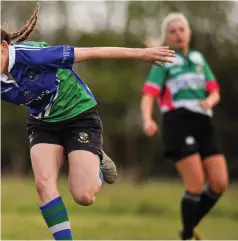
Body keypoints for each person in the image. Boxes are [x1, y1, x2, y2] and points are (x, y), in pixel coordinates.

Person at [1, 3, 175, 240]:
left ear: (3, 48)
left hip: (79, 117)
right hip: (43, 124)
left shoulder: (32, 55)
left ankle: (97, 159)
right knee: (43, 184)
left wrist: (141, 54)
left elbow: (92, 52)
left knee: (84, 196)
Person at [141, 13, 229, 240]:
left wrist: (209, 100)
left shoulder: (199, 59)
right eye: (172, 31)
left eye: (182, 29)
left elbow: (214, 91)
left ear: (189, 33)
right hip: (178, 122)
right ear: (166, 37)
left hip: (203, 121)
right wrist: (148, 119)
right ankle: (188, 234)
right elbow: (149, 95)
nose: (178, 34)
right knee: (196, 183)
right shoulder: (165, 59)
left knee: (219, 183)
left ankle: (188, 228)